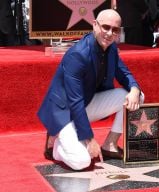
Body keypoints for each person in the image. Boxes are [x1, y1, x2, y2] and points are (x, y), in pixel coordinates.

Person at [37, 9, 144, 171]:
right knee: (82, 162)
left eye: (115, 30)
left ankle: (110, 144)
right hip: (64, 112)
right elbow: (75, 102)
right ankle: (56, 144)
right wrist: (89, 139)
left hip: (86, 102)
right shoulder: (78, 55)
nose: (109, 33)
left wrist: (135, 88)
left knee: (136, 96)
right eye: (105, 27)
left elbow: (124, 74)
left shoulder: (111, 48)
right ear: (95, 25)